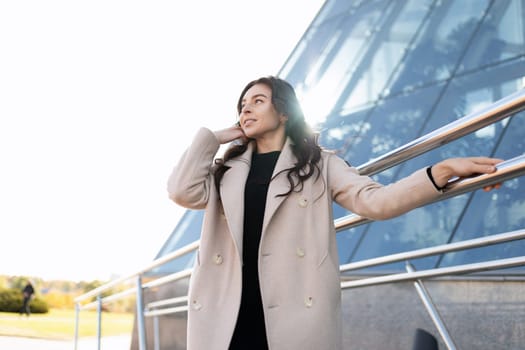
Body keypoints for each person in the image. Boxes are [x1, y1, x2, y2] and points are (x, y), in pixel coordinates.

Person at [167, 76, 502, 350]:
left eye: (258, 101)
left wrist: (441, 172)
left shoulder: (320, 164)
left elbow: (377, 202)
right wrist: (211, 139)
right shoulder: (225, 168)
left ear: (284, 112)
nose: (246, 109)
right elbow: (181, 191)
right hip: (228, 312)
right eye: (242, 105)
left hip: (293, 314)